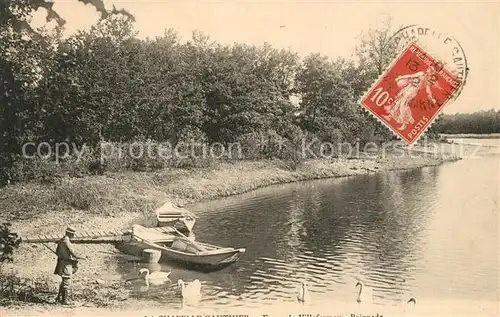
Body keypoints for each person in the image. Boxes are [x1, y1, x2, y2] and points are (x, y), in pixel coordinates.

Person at [53, 226, 80, 305]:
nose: (73, 236)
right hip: (66, 263)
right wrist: (76, 256)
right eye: (73, 234)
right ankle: (64, 301)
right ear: (70, 233)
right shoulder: (66, 241)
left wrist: (62, 255)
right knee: (66, 281)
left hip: (62, 262)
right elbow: (72, 251)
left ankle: (59, 298)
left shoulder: (61, 240)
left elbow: (57, 251)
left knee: (64, 281)